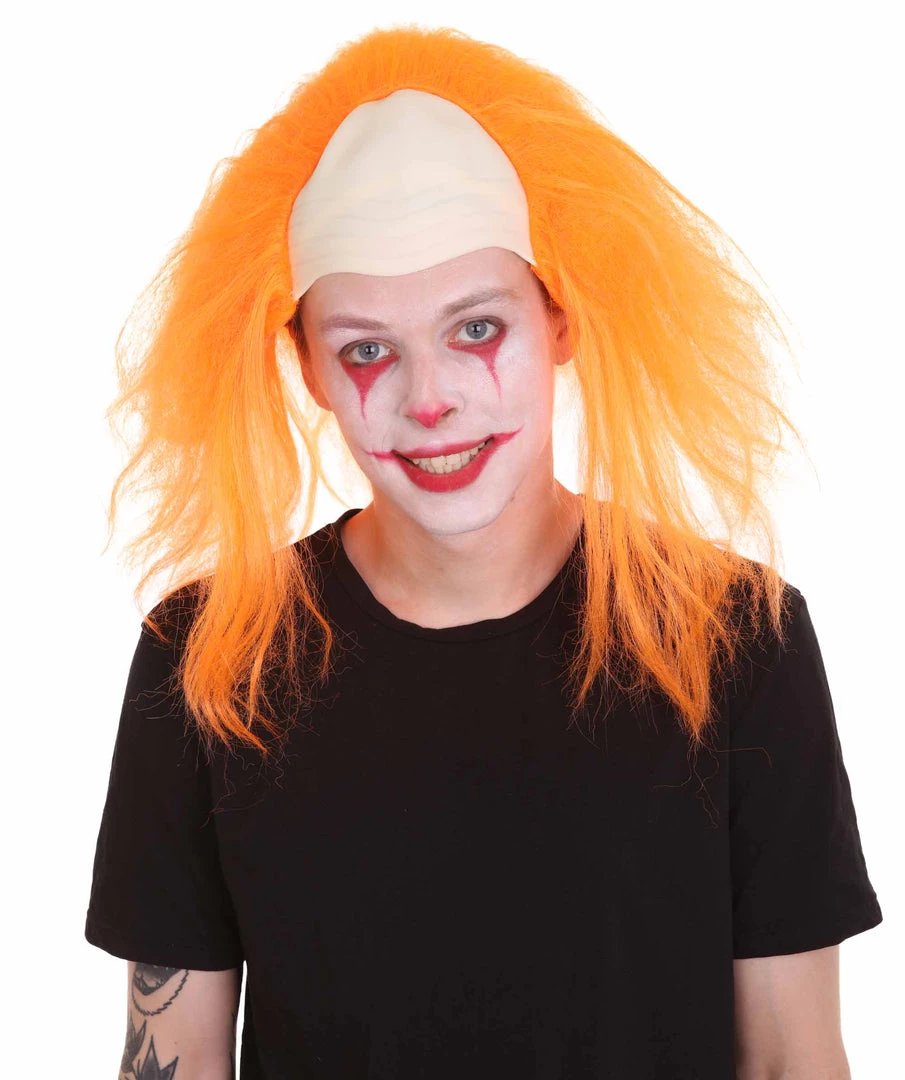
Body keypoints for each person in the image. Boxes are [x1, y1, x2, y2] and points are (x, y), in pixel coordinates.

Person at [84, 24, 882, 1080]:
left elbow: (792, 1060)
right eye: (366, 348)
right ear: (307, 366)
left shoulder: (735, 639)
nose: (429, 400)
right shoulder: (210, 655)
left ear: (560, 319)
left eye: (474, 329)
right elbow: (170, 1060)